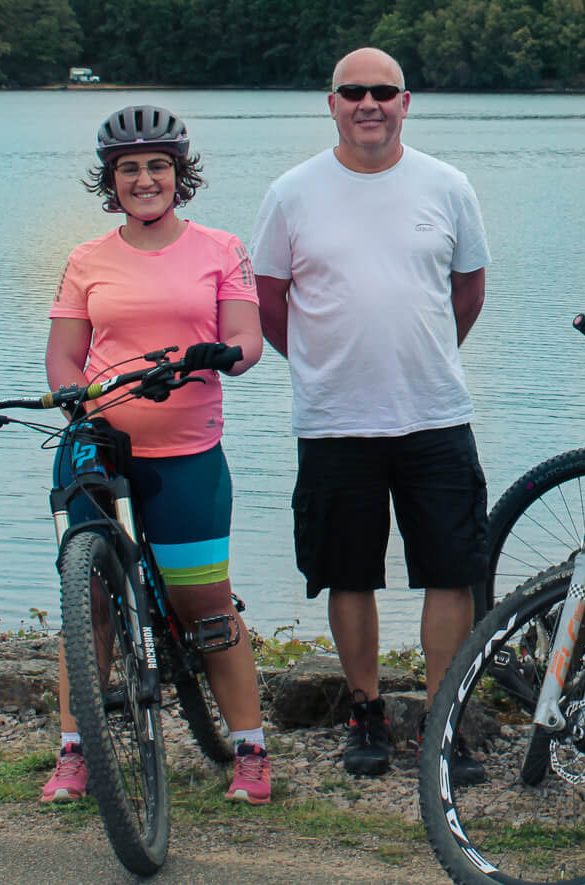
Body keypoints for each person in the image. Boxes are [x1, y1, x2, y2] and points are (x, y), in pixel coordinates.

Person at [251, 49, 491, 784]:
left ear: (406, 102)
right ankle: (365, 712)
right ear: (331, 103)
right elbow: (267, 300)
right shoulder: (292, 193)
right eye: (353, 91)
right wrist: (325, 365)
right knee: (347, 572)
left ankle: (442, 719)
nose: (369, 104)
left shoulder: (447, 186)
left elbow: (469, 290)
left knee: (450, 571)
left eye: (383, 91)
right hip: (333, 420)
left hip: (434, 414)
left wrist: (420, 356)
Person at [42, 105, 271, 807]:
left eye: (158, 166)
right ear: (111, 180)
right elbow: (63, 355)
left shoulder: (221, 248)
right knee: (91, 605)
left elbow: (248, 341)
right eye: (130, 168)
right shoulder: (86, 258)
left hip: (186, 454)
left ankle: (251, 750)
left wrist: (222, 353)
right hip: (97, 451)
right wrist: (70, 395)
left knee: (204, 606)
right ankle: (75, 752)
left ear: (180, 174)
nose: (145, 179)